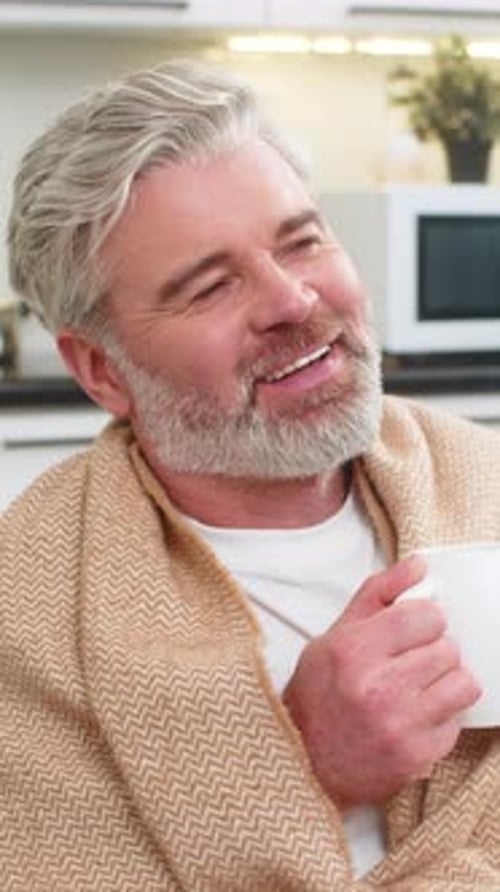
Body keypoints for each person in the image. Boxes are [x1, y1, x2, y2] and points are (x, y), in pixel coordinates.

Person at [2, 60, 500, 891]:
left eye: (302, 240)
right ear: (101, 370)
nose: (292, 300)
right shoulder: (27, 609)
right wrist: (302, 762)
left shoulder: (484, 480)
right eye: (210, 287)